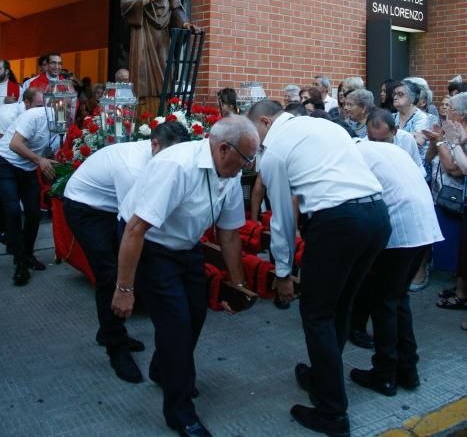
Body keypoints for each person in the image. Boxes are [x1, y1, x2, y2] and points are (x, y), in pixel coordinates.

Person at [247, 100, 390, 437]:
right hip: (377, 215)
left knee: (316, 314)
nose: (253, 144)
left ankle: (332, 413)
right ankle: (322, 378)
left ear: (265, 121)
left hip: (338, 221)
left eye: (253, 134)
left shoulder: (276, 151)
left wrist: (282, 273)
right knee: (340, 305)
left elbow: (282, 218)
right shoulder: (321, 125)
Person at [112, 116, 259, 437]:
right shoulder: (176, 167)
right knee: (176, 325)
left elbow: (230, 234)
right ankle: (180, 411)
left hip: (185, 244)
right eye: (247, 158)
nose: (250, 166)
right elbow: (136, 230)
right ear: (222, 149)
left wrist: (238, 286)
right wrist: (124, 288)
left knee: (195, 314)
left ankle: (164, 370)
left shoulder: (231, 174)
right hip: (148, 244)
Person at [63, 121, 190, 383]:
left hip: (111, 206)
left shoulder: (163, 155)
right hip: (85, 207)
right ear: (154, 144)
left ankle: (107, 330)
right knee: (110, 274)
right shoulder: (132, 168)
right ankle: (116, 348)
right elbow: (133, 225)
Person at [350, 140, 443, 396]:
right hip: (424, 227)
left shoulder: (352, 154)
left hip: (400, 232)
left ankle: (385, 374)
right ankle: (407, 370)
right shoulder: (383, 149)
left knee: (384, 304)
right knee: (397, 300)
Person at [0, 88, 57, 285]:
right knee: (14, 211)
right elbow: (14, 145)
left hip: (28, 168)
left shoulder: (60, 123)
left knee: (34, 213)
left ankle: (28, 253)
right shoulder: (33, 115)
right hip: (5, 163)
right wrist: (40, 160)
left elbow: (49, 151)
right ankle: (20, 262)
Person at [423, 93, 467, 313]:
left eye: (450, 108)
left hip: (456, 195)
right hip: (441, 192)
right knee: (460, 251)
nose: (446, 111)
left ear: (462, 114)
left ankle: (462, 294)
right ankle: (459, 288)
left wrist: (443, 141)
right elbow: (429, 159)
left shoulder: (459, 135)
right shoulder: (451, 132)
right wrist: (436, 141)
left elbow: (456, 168)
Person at [366, 108, 425, 173]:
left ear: (394, 131)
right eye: (372, 139)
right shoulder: (364, 145)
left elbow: (418, 167)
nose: (377, 144)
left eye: (382, 140)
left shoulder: (406, 139)